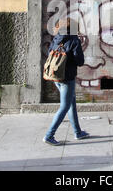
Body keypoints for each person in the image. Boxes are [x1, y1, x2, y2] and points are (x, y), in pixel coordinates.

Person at [43, 18, 90, 146]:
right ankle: (49, 135)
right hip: (67, 78)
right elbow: (80, 61)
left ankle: (78, 132)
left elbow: (49, 53)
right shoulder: (74, 40)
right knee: (64, 106)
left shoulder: (57, 38)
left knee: (71, 103)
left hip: (56, 77)